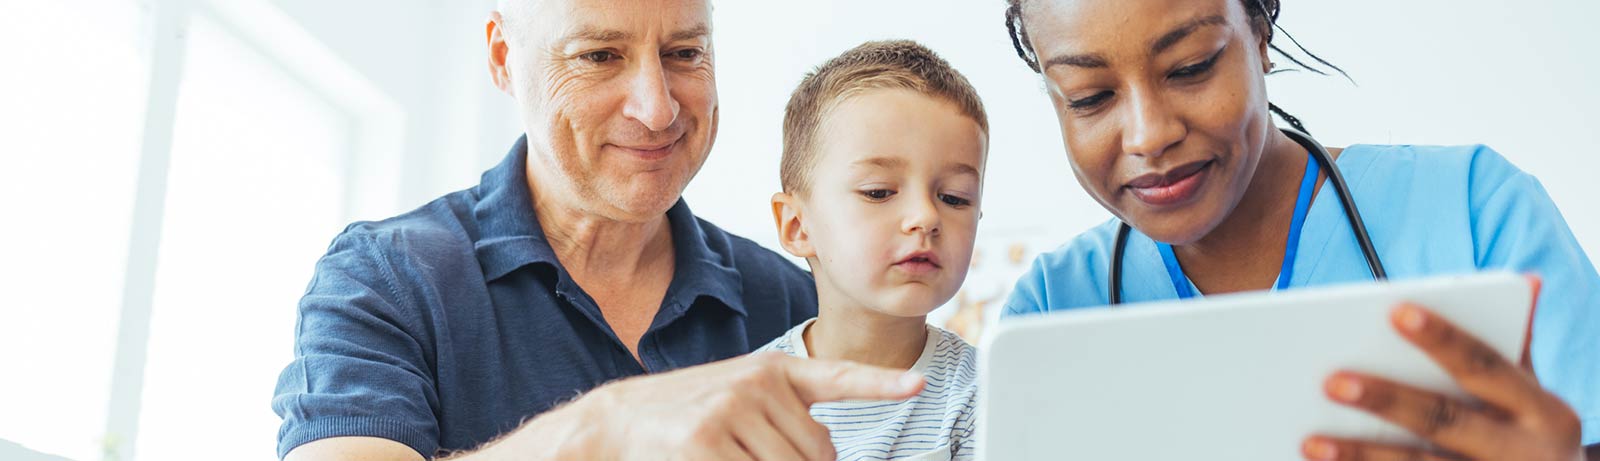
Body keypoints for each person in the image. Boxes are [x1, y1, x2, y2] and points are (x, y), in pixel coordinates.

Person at [272, 1, 924, 460]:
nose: (657, 106)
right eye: (600, 54)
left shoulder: (792, 298)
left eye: (684, 52)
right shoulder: (388, 276)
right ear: (504, 56)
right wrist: (604, 428)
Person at [996, 0, 1600, 459]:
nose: (1149, 134)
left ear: (1261, 36)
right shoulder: (1052, 308)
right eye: (1089, 97)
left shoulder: (1475, 211)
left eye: (1191, 66)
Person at [760, 40, 987, 460]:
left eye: (955, 197)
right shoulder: (749, 397)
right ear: (796, 225)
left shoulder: (986, 397)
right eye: (878, 192)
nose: (925, 216)